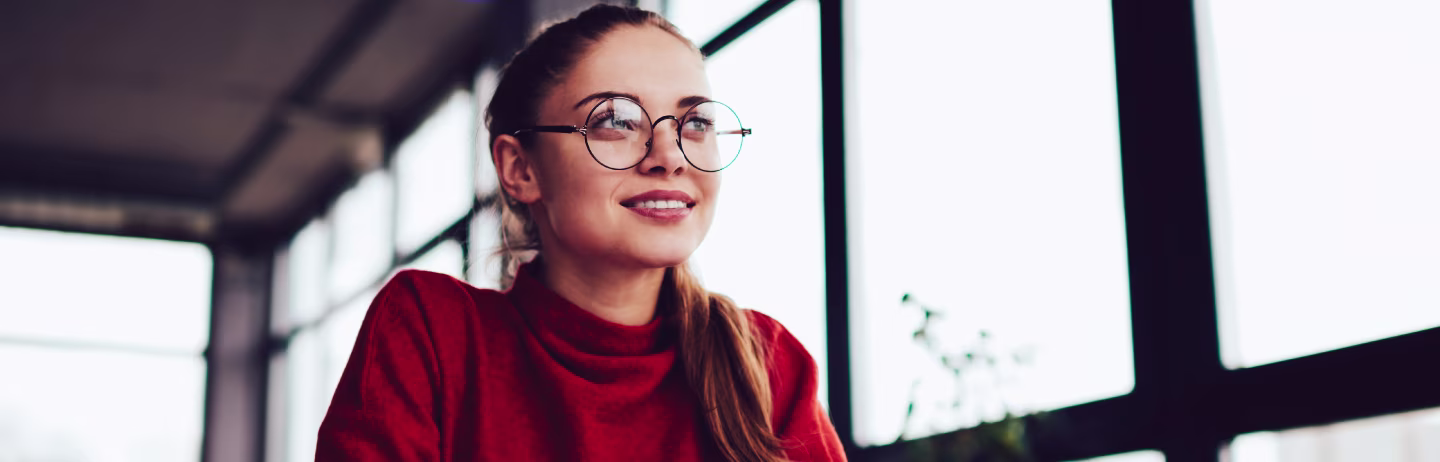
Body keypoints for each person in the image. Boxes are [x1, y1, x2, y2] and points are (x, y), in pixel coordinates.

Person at [315, 4, 845, 461]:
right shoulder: (434, 334)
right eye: (616, 121)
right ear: (521, 169)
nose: (669, 156)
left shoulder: (767, 364)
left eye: (696, 124)